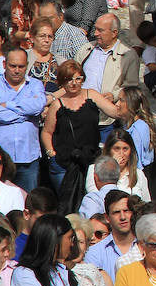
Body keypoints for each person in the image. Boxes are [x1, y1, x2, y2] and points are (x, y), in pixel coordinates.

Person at [41, 60, 123, 212]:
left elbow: (114, 112)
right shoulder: (57, 104)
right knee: (68, 207)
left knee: (91, 204)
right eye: (69, 79)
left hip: (90, 160)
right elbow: (47, 132)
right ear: (62, 82)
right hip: (63, 163)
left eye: (78, 79)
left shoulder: (91, 95)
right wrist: (50, 152)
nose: (74, 83)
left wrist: (126, 100)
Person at [0, 49, 47, 191]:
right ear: (4, 64)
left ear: (27, 66)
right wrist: (25, 115)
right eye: (13, 66)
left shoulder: (36, 85)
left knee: (27, 203)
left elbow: (37, 107)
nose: (17, 70)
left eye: (21, 66)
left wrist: (7, 105)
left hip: (28, 156)